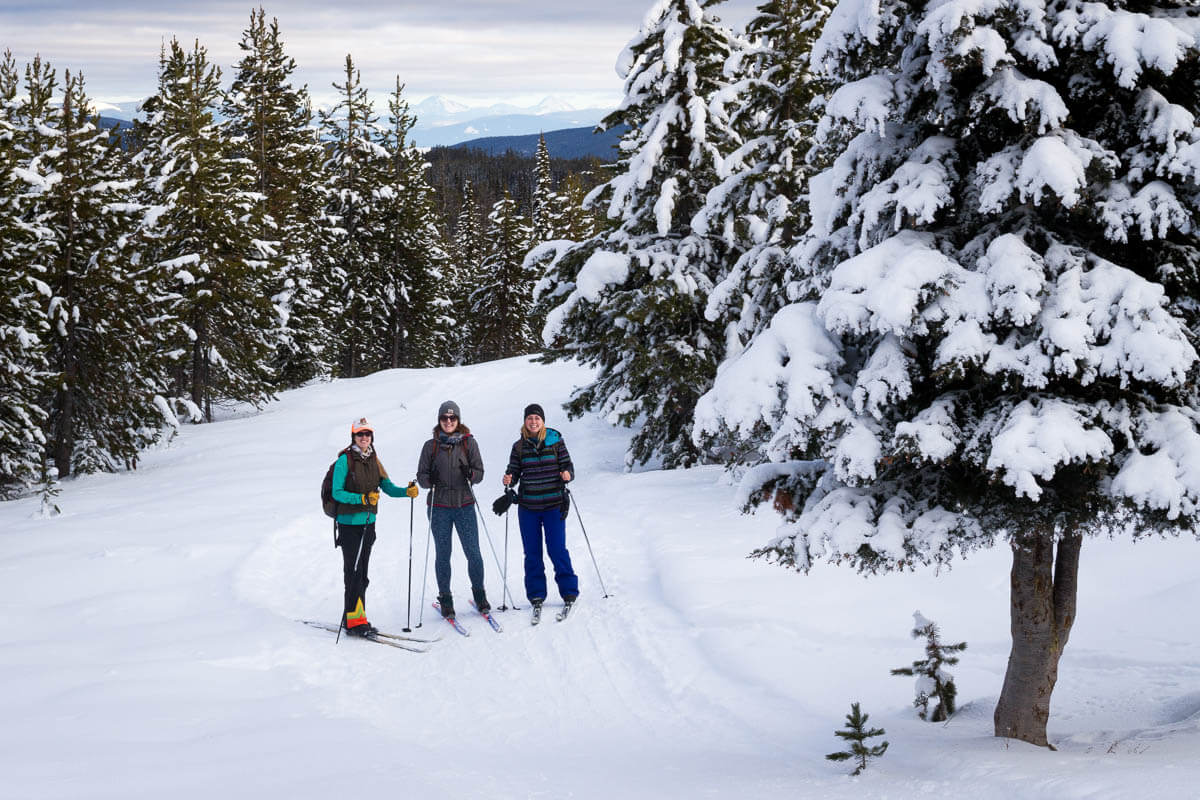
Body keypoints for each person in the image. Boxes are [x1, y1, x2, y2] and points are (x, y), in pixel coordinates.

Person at [330, 417, 418, 636]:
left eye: (367, 434)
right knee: (353, 573)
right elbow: (337, 493)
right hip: (349, 525)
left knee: (363, 574)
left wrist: (406, 492)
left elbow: (386, 486)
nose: (364, 438)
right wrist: (362, 499)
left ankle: (353, 615)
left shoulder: (374, 460)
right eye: (360, 434)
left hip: (369, 524)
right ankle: (355, 622)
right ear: (353, 436)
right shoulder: (345, 461)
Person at [416, 400, 488, 618]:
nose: (449, 422)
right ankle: (445, 598)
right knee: (443, 554)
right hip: (439, 506)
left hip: (464, 504)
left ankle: (480, 595)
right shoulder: (431, 446)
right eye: (444, 418)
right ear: (439, 421)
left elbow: (480, 472)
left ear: (458, 420)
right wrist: (430, 480)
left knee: (473, 552)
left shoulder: (468, 443)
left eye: (453, 418)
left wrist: (471, 474)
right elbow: (421, 476)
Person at [502, 403, 578, 610]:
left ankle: (569, 590)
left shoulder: (555, 442)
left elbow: (568, 466)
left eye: (537, 418)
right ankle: (536, 594)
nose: (533, 422)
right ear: (525, 421)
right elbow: (514, 471)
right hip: (528, 507)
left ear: (543, 421)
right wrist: (509, 478)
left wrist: (567, 474)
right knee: (532, 552)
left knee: (557, 549)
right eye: (530, 418)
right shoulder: (519, 447)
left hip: (554, 505)